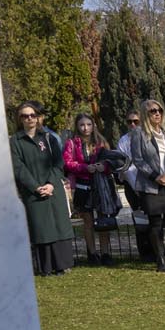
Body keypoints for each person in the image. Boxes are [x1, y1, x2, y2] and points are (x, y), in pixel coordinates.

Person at [11, 102, 75, 276]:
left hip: (53, 188)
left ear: (38, 117)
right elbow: (18, 168)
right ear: (20, 119)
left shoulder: (48, 138)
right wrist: (35, 187)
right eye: (25, 116)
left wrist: (51, 184)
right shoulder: (15, 142)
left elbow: (58, 163)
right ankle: (46, 267)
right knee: (42, 228)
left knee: (58, 224)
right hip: (33, 192)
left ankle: (63, 264)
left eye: (33, 115)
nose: (29, 119)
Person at [130, 99, 165, 272]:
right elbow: (138, 160)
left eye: (159, 110)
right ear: (145, 114)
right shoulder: (139, 134)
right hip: (150, 185)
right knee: (155, 224)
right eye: (153, 111)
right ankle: (160, 259)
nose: (157, 113)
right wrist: (155, 176)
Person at [62, 113, 119, 266]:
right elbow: (67, 162)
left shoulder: (101, 142)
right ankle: (92, 254)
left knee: (103, 219)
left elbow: (111, 160)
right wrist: (84, 168)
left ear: (93, 125)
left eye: (88, 124)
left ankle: (106, 253)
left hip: (101, 185)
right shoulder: (72, 143)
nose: (85, 128)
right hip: (83, 185)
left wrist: (103, 166)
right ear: (77, 126)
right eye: (82, 125)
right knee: (87, 221)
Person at [116, 111, 153, 261]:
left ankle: (158, 249)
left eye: (136, 121)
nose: (132, 124)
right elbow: (124, 166)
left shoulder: (149, 137)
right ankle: (145, 252)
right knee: (140, 219)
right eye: (129, 121)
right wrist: (136, 186)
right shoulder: (123, 141)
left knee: (154, 218)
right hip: (132, 186)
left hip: (151, 183)